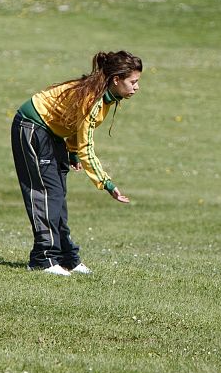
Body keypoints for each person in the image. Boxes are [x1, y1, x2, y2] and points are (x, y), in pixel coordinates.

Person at [11, 50, 142, 276]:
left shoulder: (106, 97)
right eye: (133, 82)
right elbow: (87, 147)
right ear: (116, 80)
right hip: (32, 126)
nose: (136, 87)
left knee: (58, 194)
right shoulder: (93, 99)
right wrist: (106, 183)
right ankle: (42, 259)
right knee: (46, 193)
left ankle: (66, 258)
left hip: (52, 132)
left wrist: (70, 153)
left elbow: (73, 122)